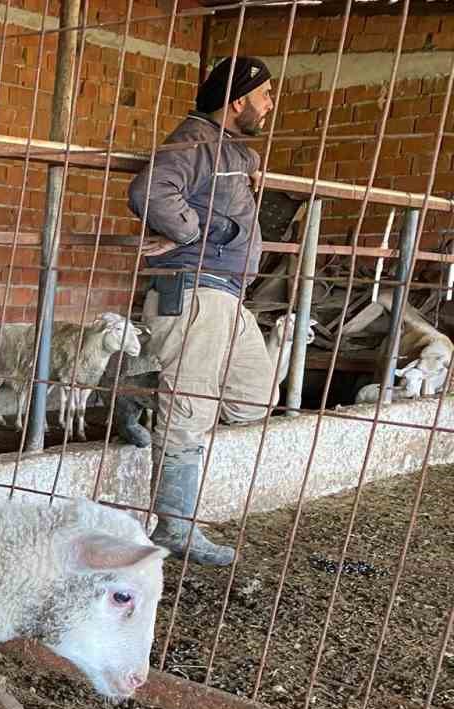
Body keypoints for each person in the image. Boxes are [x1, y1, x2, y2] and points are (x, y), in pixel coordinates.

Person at [127, 56, 277, 567]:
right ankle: (174, 529)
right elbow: (150, 191)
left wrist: (249, 174)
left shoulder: (229, 148)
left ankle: (135, 387)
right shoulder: (194, 139)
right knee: (188, 414)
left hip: (227, 294)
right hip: (194, 289)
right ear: (238, 101)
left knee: (255, 397)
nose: (270, 104)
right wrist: (203, 231)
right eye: (265, 96)